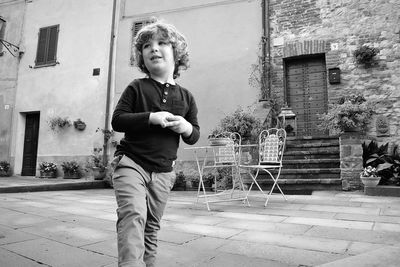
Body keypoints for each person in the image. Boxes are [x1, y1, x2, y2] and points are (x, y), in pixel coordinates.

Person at [111, 19, 200, 267]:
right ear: (142, 56)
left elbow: (194, 135)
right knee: (133, 215)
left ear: (177, 53)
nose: (154, 48)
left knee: (151, 227)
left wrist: (186, 127)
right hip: (131, 163)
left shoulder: (187, 97)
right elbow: (118, 120)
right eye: (147, 45)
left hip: (163, 173)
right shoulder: (136, 87)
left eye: (162, 43)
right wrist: (151, 117)